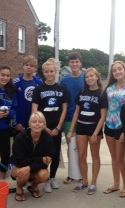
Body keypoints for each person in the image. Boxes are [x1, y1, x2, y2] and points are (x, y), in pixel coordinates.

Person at [67, 68, 108, 195]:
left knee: (95, 156)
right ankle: (84, 181)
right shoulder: (82, 92)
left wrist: (96, 133)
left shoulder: (102, 94)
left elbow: (103, 116)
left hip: (94, 129)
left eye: (92, 76)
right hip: (82, 128)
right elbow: (76, 113)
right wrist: (71, 130)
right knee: (81, 155)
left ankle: (93, 183)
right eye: (87, 77)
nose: (89, 78)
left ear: (97, 77)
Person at [32, 58, 68, 193]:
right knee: (45, 154)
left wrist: (58, 127)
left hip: (56, 127)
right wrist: (44, 128)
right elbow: (35, 110)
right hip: (43, 128)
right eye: (47, 72)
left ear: (56, 72)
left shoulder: (62, 89)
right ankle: (45, 179)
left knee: (55, 153)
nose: (49, 74)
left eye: (52, 71)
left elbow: (64, 109)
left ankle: (52, 177)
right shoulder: (38, 89)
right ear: (43, 73)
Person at [9, 112, 55, 201]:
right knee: (24, 173)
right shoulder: (20, 137)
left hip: (33, 166)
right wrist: (40, 159)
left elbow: (46, 163)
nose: (37, 124)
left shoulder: (48, 139)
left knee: (44, 175)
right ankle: (19, 187)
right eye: (34, 121)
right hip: (18, 165)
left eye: (40, 122)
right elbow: (19, 161)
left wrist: (30, 167)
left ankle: (33, 185)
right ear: (29, 124)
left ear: (44, 125)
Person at [103, 61, 125, 198]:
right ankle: (116, 183)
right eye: (114, 70)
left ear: (124, 70)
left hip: (122, 126)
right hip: (109, 125)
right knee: (114, 158)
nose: (117, 72)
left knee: (120, 158)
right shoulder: (109, 88)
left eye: (119, 69)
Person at [60, 51, 84, 184]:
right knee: (71, 147)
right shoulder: (64, 81)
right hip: (69, 117)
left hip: (84, 119)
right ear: (69, 63)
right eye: (72, 62)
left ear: (81, 63)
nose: (74, 64)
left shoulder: (86, 78)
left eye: (77, 62)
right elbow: (62, 101)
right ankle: (71, 173)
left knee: (81, 148)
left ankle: (81, 173)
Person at [12, 55, 42, 136]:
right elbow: (12, 104)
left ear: (35, 68)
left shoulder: (39, 82)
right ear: (23, 66)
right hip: (20, 120)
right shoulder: (15, 83)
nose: (29, 67)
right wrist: (16, 122)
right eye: (27, 65)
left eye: (32, 66)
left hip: (34, 120)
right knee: (20, 146)